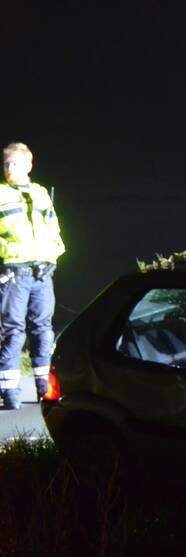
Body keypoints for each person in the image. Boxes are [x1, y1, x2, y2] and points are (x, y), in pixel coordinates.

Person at [0, 142, 66, 409]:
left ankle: (43, 387)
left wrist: (52, 258)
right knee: (13, 331)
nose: (8, 168)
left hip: (42, 273)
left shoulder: (40, 194)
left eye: (14, 163)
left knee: (43, 329)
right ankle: (9, 390)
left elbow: (54, 230)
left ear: (28, 166)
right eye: (5, 164)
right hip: (13, 273)